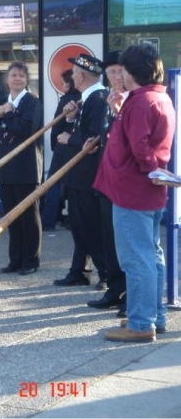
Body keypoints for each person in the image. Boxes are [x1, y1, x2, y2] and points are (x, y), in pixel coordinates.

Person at [94, 44, 175, 342]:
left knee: (136, 258)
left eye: (122, 70)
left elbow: (140, 148)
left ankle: (141, 324)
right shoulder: (159, 97)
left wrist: (150, 167)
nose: (120, 75)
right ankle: (155, 316)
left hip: (131, 189)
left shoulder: (141, 102)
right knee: (151, 255)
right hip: (148, 190)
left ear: (131, 71)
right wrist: (118, 111)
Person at [53, 54, 108, 288]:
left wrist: (69, 138)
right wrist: (72, 119)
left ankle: (105, 273)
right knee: (78, 225)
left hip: (87, 177)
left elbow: (95, 139)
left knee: (90, 226)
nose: (72, 76)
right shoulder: (87, 99)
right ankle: (79, 270)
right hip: (78, 176)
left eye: (74, 72)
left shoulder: (97, 99)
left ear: (82, 75)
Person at [86, 50, 128, 312]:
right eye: (111, 72)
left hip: (124, 183)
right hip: (106, 180)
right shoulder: (106, 101)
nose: (115, 76)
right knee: (109, 238)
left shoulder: (133, 101)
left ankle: (130, 295)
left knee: (127, 241)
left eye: (119, 71)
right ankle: (115, 289)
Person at [0, 61, 43, 276]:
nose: (17, 79)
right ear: (7, 79)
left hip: (26, 168)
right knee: (10, 217)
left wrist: (8, 113)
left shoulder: (32, 102)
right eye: (13, 75)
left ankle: (30, 260)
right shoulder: (1, 102)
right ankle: (15, 259)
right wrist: (1, 113)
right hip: (5, 167)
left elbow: (26, 128)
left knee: (29, 217)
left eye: (22, 75)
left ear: (26, 80)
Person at [41, 69, 81, 231]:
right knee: (74, 185)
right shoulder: (83, 98)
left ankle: (49, 219)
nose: (63, 87)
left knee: (54, 183)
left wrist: (54, 144)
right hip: (78, 147)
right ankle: (72, 219)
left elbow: (56, 125)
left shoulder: (66, 100)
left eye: (64, 83)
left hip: (63, 147)